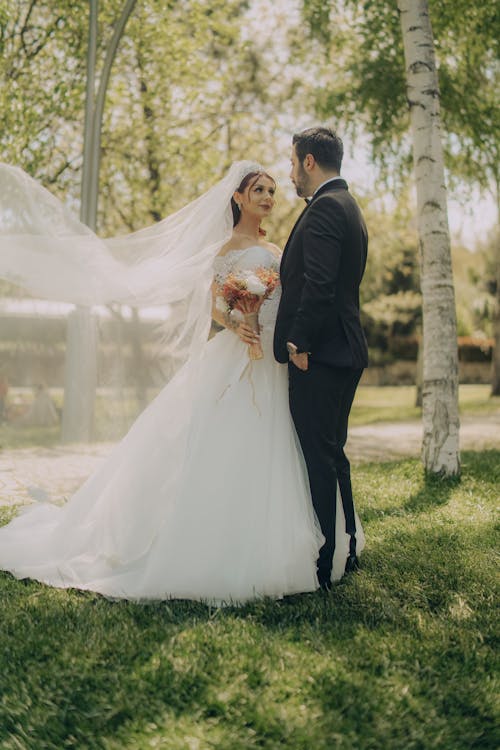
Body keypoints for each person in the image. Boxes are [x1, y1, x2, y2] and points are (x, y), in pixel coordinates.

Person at [0, 162, 364, 604]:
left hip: (274, 361)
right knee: (229, 443)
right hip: (239, 357)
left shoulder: (277, 248)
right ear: (238, 198)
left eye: (271, 189)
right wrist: (236, 323)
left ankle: (298, 542)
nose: (268, 197)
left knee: (287, 445)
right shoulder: (225, 249)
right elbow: (212, 304)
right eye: (258, 190)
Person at [274, 127, 369, 591]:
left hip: (323, 354)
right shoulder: (346, 205)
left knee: (318, 456)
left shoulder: (327, 208)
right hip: (342, 349)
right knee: (332, 453)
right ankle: (346, 547)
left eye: (293, 163)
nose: (290, 173)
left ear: (309, 161)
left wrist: (299, 342)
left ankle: (323, 561)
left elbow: (321, 283)